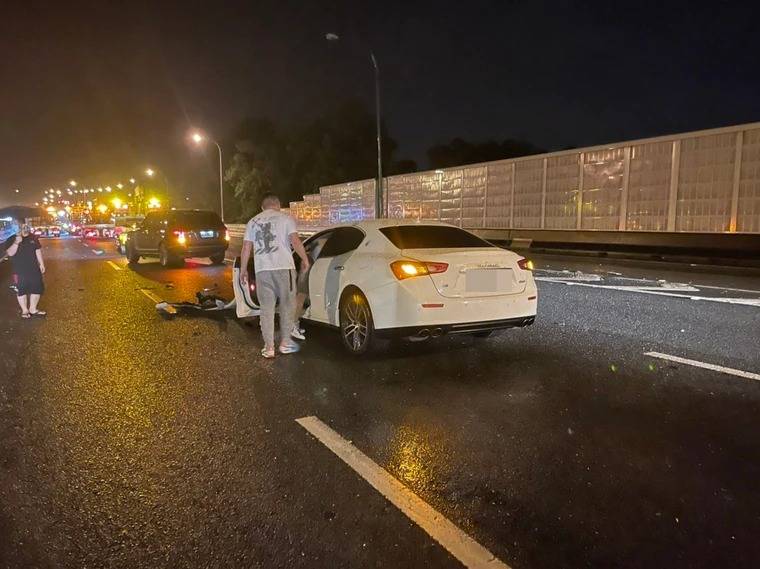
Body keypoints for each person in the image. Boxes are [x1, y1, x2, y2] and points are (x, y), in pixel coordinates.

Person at [241, 193, 309, 358]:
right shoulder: (286, 219)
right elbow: (295, 241)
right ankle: (285, 343)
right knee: (287, 305)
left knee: (266, 309)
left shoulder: (252, 222)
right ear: (278, 205)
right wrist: (305, 259)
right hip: (285, 268)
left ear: (262, 207)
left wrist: (243, 269)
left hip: (262, 270)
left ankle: (269, 347)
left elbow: (246, 248)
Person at [6, 223, 46, 318]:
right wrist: (16, 242)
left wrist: (41, 263)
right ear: (18, 228)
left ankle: (33, 309)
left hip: (34, 268)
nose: (25, 228)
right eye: (22, 227)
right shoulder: (12, 238)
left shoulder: (33, 238)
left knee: (37, 289)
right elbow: (10, 253)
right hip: (19, 270)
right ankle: (25, 310)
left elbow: (37, 250)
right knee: (21, 290)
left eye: (26, 226)